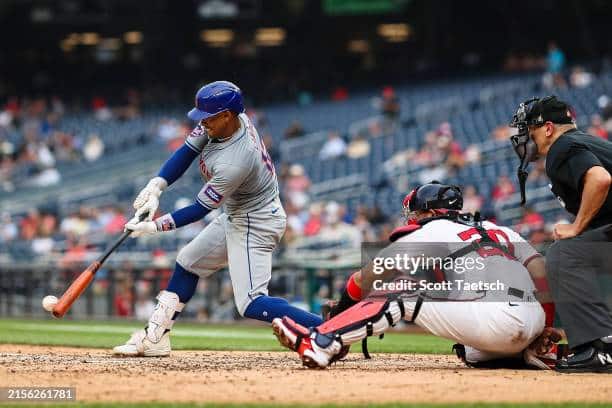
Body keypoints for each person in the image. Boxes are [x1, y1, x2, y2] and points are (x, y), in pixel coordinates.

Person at [113, 81, 323, 357]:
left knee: (250, 303)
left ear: (227, 115)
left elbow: (200, 208)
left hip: (256, 221)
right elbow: (186, 152)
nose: (202, 123)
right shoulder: (228, 119)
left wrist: (154, 226)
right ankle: (155, 339)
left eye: (208, 117)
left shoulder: (237, 159)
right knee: (187, 263)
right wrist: (156, 186)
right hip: (238, 214)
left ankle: (331, 327)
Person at [272, 182, 561, 369]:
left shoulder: (435, 230)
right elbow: (539, 270)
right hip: (530, 319)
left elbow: (365, 279)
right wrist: (545, 326)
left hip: (497, 320)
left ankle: (323, 342)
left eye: (415, 213)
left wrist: (340, 315)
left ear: (428, 213)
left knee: (405, 288)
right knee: (470, 351)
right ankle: (529, 352)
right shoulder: (499, 229)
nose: (412, 218)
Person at [510, 95, 612, 372]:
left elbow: (600, 179)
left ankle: (599, 347)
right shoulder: (582, 142)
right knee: (573, 251)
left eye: (530, 131)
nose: (526, 139)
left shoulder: (562, 147)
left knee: (565, 254)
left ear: (548, 128)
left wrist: (577, 226)